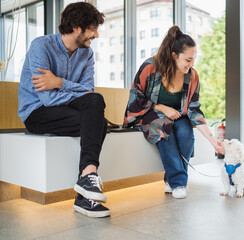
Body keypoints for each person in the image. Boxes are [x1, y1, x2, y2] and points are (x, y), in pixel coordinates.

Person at [18, 2, 110, 218]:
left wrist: (59, 82)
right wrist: (71, 91)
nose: (96, 35)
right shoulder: (41, 46)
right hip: (37, 112)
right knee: (99, 123)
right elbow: (48, 99)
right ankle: (85, 197)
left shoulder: (86, 54)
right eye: (92, 29)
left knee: (96, 101)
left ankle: (88, 176)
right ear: (77, 27)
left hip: (66, 107)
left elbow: (89, 91)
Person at [124, 25, 225, 199]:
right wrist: (161, 107)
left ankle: (172, 180)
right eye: (188, 60)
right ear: (173, 55)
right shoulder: (150, 67)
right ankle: (179, 182)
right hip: (149, 115)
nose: (192, 64)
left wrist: (213, 141)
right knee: (163, 128)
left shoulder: (192, 76)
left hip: (178, 116)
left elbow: (193, 109)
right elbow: (136, 98)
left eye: (194, 59)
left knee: (186, 131)